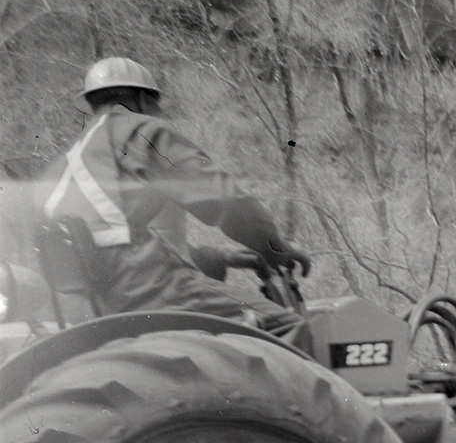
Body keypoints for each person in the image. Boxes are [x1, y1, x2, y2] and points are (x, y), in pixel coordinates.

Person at [36, 56, 312, 349]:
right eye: (156, 105)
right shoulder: (140, 132)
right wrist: (275, 249)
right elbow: (224, 199)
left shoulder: (72, 161)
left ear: (92, 104)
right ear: (142, 99)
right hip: (145, 285)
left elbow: (108, 245)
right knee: (289, 328)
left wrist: (217, 258)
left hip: (98, 303)